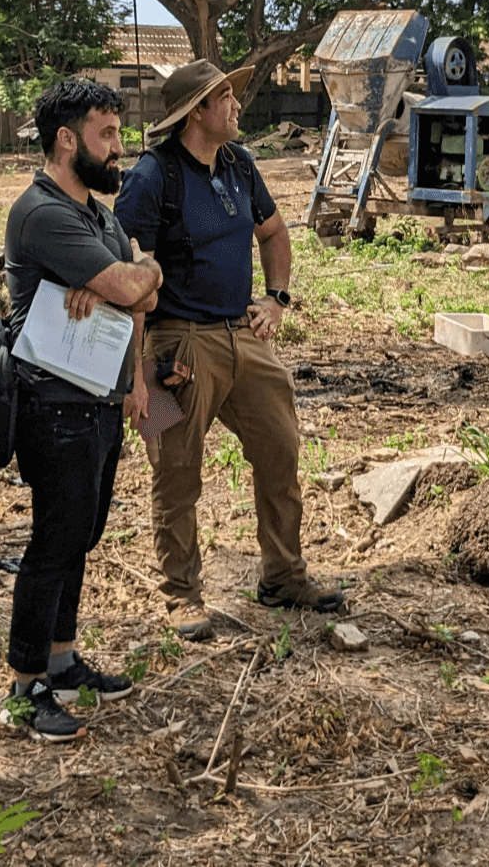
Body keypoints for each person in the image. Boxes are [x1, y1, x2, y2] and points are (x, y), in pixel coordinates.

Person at [115, 59, 342, 642]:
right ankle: (181, 595)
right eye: (227, 98)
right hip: (173, 345)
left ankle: (284, 576)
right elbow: (121, 267)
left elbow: (274, 231)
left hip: (243, 335)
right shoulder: (152, 177)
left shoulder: (240, 165)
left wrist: (278, 299)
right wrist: (135, 371)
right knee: (175, 470)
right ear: (198, 113)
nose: (238, 106)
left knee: (281, 449)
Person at [0, 79, 165, 744]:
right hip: (54, 406)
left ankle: (63, 661)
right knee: (53, 542)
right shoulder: (45, 214)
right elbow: (132, 284)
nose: (118, 148)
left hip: (97, 398)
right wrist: (136, 279)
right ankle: (24, 686)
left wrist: (136, 281)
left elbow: (138, 290)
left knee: (82, 536)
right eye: (107, 134)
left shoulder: (97, 214)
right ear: (67, 140)